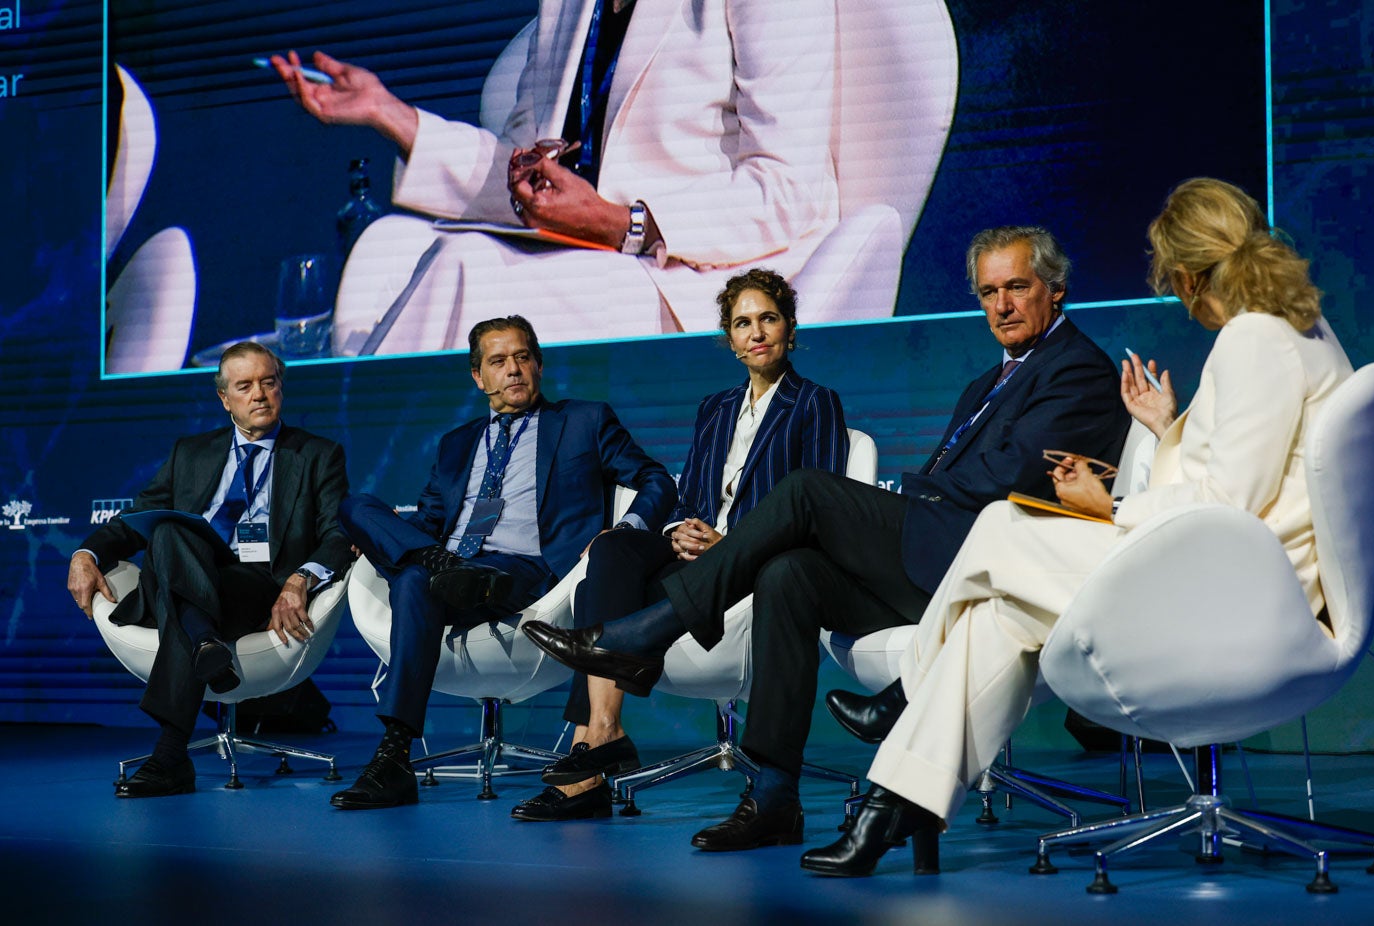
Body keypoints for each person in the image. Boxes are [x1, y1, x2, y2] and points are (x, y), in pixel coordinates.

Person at [799, 177, 1354, 877]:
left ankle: (907, 690)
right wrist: (1166, 429)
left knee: (1001, 524)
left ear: (1185, 274)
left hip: (1241, 595)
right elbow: (1248, 482)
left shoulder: (1253, 338)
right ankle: (894, 802)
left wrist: (1110, 507)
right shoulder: (1296, 329)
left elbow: (1227, 506)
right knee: (994, 617)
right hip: (1237, 574)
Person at [524, 225, 1131, 849]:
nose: (1000, 306)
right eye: (987, 292)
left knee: (809, 490)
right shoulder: (988, 382)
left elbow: (1006, 478)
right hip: (933, 558)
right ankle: (773, 796)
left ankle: (650, 632)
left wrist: (916, 493)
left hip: (980, 571)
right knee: (790, 575)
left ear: (1056, 291)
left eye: (1017, 288)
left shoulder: (1078, 369)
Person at [269, 0, 949, 352]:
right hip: (575, 258)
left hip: (697, 278)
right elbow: (523, 176)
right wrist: (393, 116)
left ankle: (352, 514)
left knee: (467, 271)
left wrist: (620, 224)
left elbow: (789, 193)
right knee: (456, 255)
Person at [510, 268, 849, 822]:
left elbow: (820, 505)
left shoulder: (816, 403)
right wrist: (676, 531)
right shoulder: (714, 408)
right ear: (730, 338)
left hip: (755, 567)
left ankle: (586, 760)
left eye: (768, 318)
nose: (757, 332)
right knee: (613, 550)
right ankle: (605, 728)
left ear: (790, 327)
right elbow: (687, 496)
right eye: (743, 323)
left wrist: (732, 542)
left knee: (620, 583)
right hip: (689, 558)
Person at [330, 315, 676, 810]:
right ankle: (395, 756)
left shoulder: (583, 420)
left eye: (522, 358)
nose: (513, 369)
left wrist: (626, 530)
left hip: (524, 572)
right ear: (478, 377)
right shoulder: (455, 445)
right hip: (449, 563)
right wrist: (404, 543)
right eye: (498, 361)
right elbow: (430, 517)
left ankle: (393, 754)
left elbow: (655, 479)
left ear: (538, 365)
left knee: (412, 580)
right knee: (358, 511)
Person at [67, 342, 354, 797]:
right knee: (166, 532)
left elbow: (339, 534)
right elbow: (136, 518)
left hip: (258, 589)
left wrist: (301, 580)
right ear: (225, 398)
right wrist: (86, 554)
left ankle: (170, 753)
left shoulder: (318, 454)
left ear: (281, 387)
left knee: (177, 584)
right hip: (192, 575)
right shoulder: (191, 452)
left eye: (269, 382)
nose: (259, 394)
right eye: (245, 386)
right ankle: (204, 643)